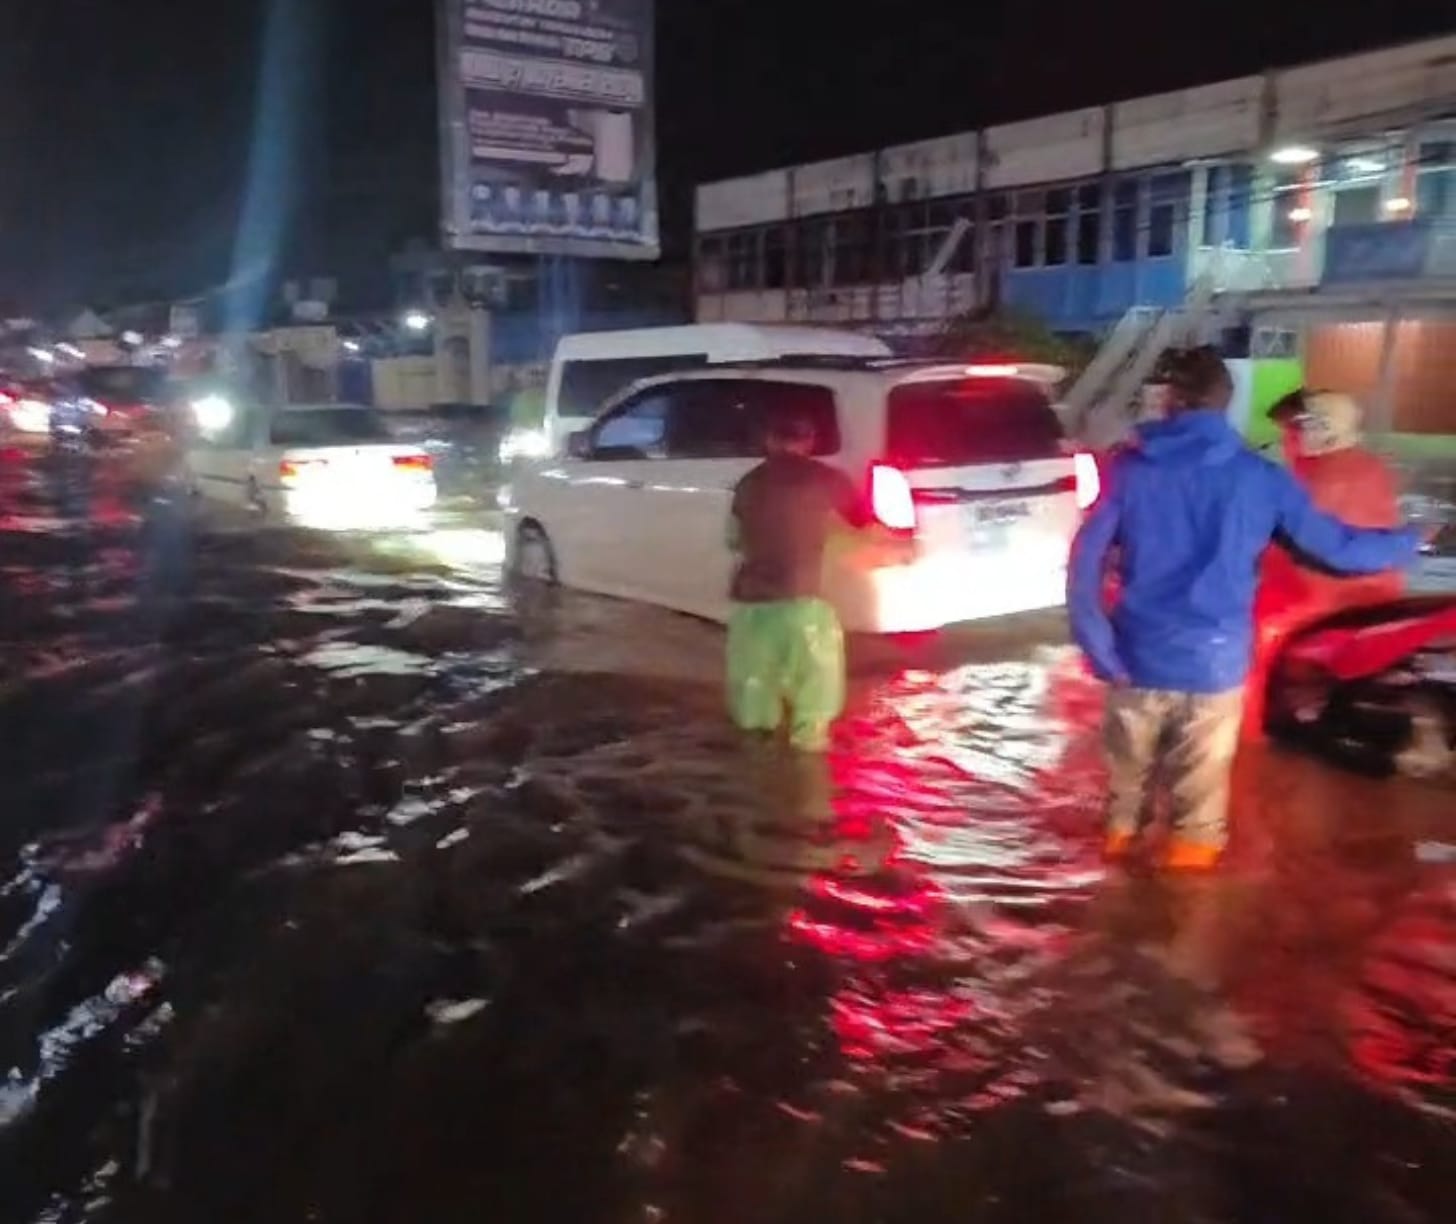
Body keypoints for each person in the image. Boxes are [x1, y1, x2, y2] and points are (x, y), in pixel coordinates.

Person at [1068, 347, 1423, 871]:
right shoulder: (1262, 477)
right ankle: (1184, 907)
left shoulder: (1127, 470)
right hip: (1216, 667)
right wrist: (1411, 539)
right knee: (1198, 817)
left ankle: (1114, 894)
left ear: (1169, 401)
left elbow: (1084, 565)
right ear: (1225, 406)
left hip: (1135, 661)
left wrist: (1098, 648)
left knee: (1124, 803)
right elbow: (1340, 549)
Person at [1244, 389, 1408, 739]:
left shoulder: (1318, 478)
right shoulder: (1365, 465)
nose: (1292, 439)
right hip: (1368, 588)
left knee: (1245, 632)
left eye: (1299, 428)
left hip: (1325, 594)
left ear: (1330, 429)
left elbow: (1299, 547)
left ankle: (1249, 730)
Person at [726, 403, 866, 752]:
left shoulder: (747, 484)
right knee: (813, 715)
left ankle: (757, 770)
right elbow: (863, 528)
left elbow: (732, 541)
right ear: (810, 441)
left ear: (769, 440)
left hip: (753, 610)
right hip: (807, 608)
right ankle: (808, 775)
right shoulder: (829, 480)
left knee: (754, 713)